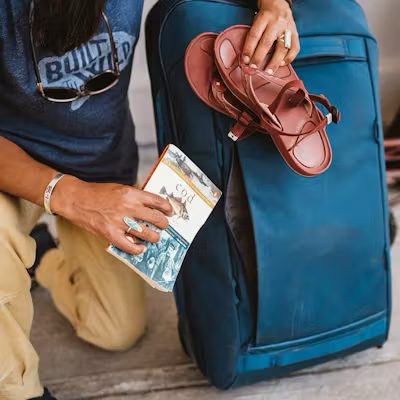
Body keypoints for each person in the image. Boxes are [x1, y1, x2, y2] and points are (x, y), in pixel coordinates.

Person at [0, 0, 299, 399]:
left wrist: (275, 4)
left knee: (116, 330)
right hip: (13, 168)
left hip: (102, 164)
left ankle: (43, 257)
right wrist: (71, 196)